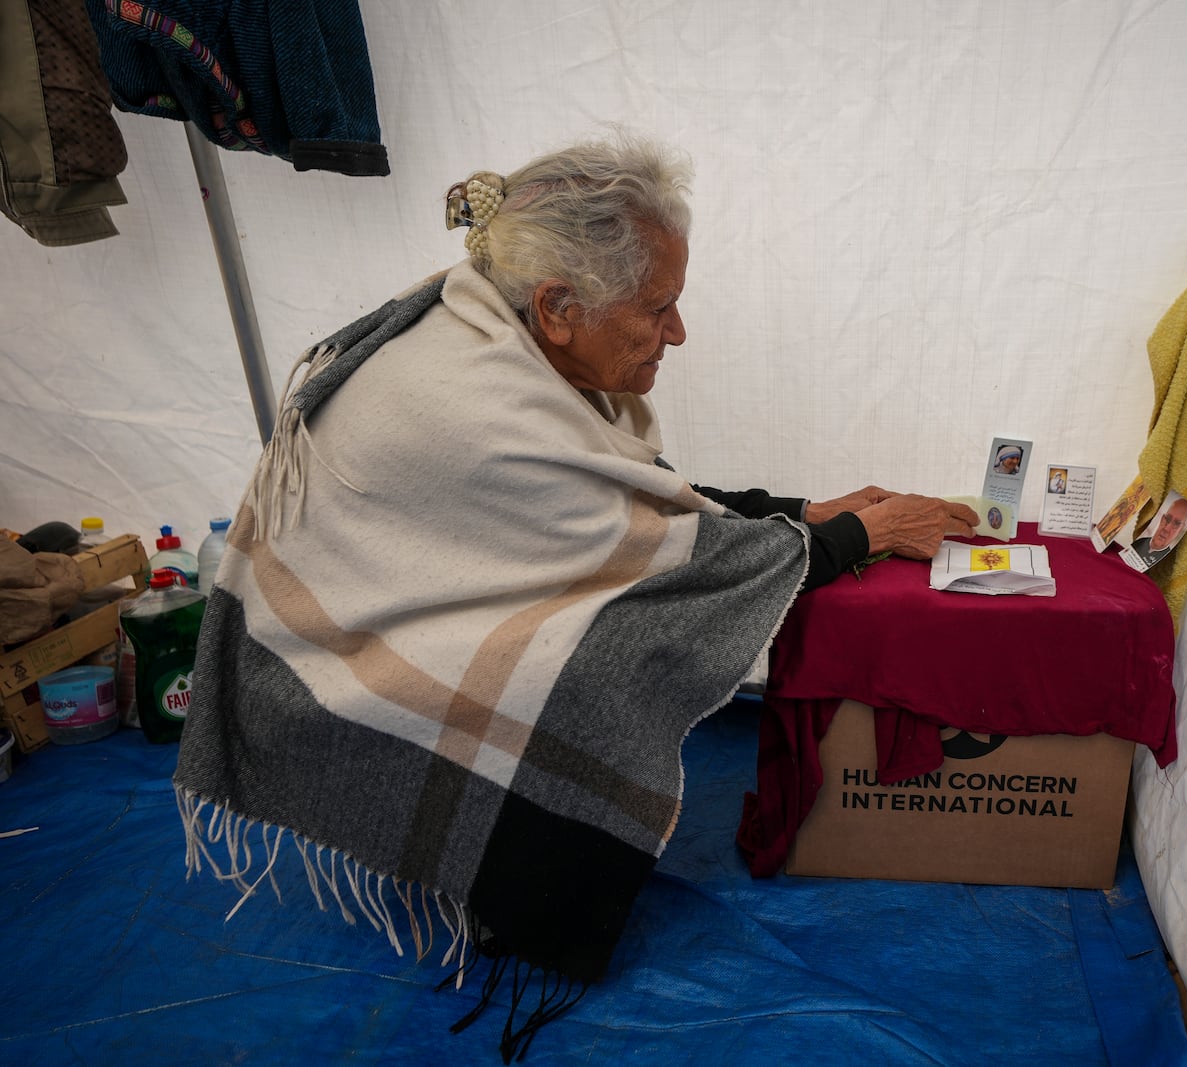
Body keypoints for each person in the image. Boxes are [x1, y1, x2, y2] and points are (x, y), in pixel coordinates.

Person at [173, 130, 976, 1059]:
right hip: (333, 661)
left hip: (377, 604)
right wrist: (863, 535)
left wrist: (808, 512)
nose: (677, 332)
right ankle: (513, 899)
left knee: (611, 623)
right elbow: (673, 560)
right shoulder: (479, 399)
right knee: (601, 658)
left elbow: (641, 506)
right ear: (558, 307)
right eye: (660, 307)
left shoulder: (489, 322)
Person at [1129, 496, 1187, 567]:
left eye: (1177, 524)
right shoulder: (1139, 541)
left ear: (1180, 530)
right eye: (1167, 519)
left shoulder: (1169, 564)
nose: (1166, 528)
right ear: (1162, 519)